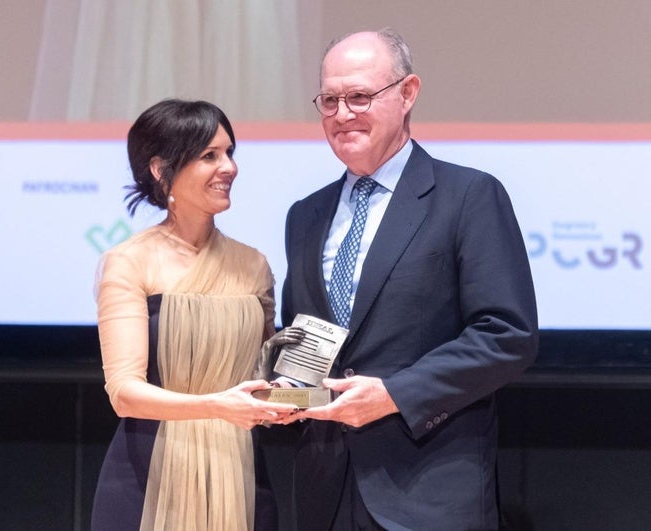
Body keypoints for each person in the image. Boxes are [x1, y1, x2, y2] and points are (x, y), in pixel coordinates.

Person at [263, 29, 539, 530]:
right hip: (325, 489)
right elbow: (306, 338)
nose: (343, 113)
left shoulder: (468, 196)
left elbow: (506, 335)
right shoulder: (305, 215)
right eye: (330, 100)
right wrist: (283, 388)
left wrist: (394, 394)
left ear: (408, 93)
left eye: (360, 97)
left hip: (427, 489)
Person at [90, 99, 298, 531]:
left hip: (240, 474)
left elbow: (262, 375)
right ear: (161, 169)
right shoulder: (130, 262)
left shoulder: (253, 265)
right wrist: (216, 407)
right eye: (209, 156)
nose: (229, 167)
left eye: (229, 153)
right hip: (148, 476)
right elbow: (124, 393)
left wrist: (296, 396)